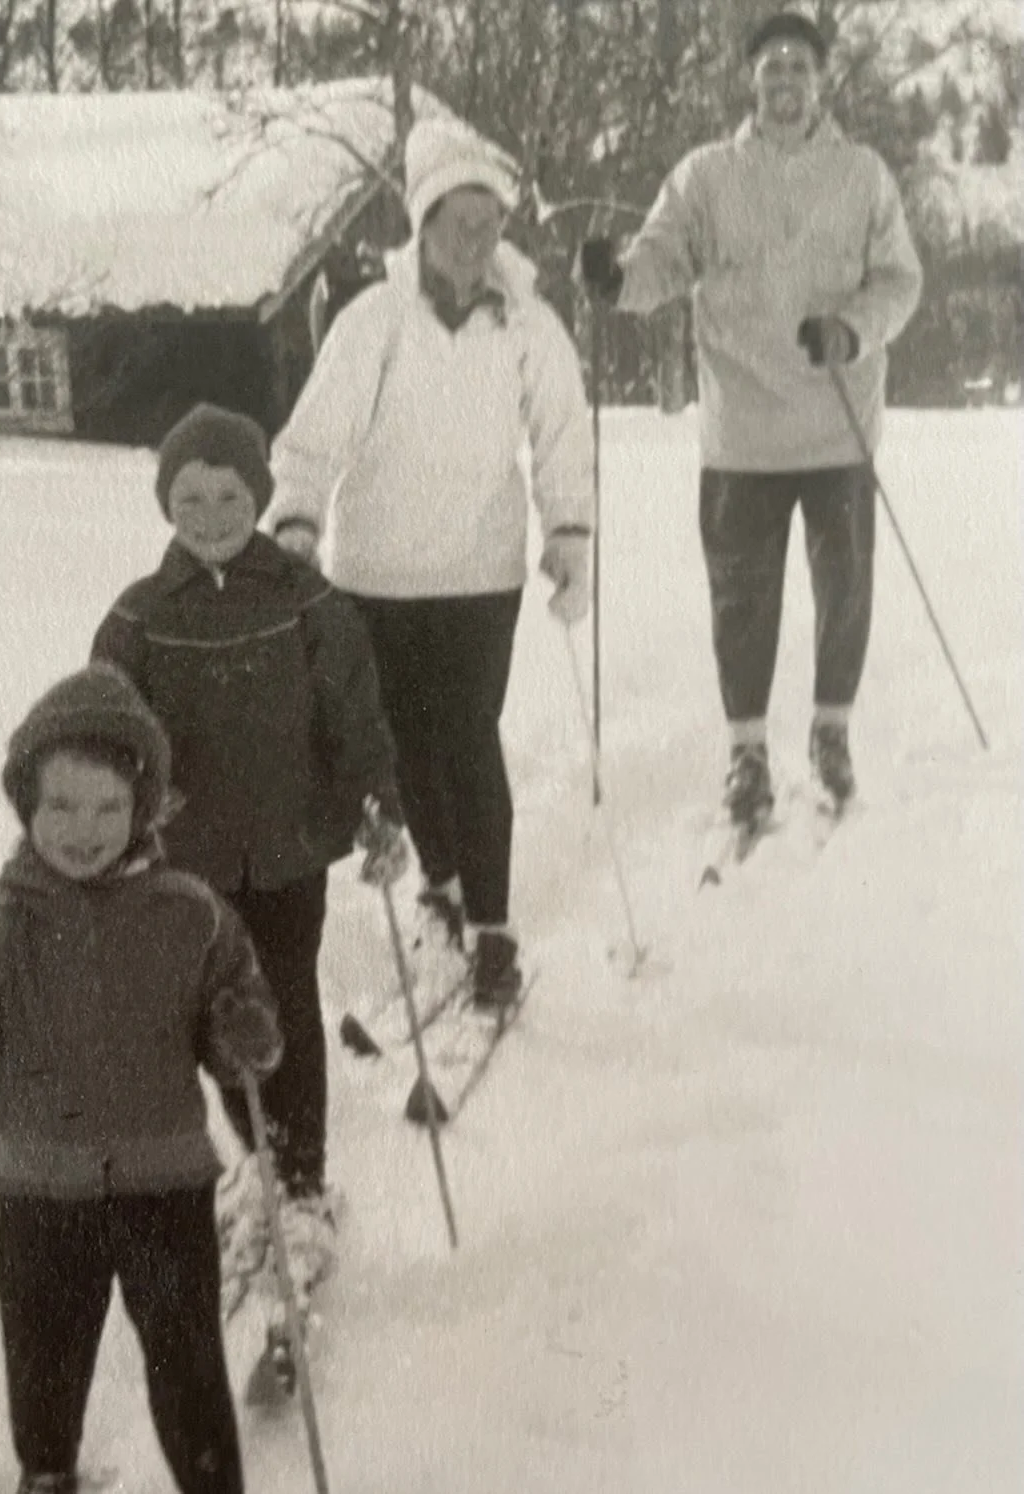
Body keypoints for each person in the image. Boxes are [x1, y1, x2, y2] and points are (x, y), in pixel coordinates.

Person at [0, 663, 283, 1494]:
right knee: (44, 1359)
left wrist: (241, 1031)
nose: (82, 829)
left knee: (187, 1362)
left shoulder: (191, 913)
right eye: (60, 806)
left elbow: (230, 1003)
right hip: (42, 1189)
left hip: (166, 1184)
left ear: (144, 808)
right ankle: (48, 1474)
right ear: (25, 804)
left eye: (107, 807)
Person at [265, 114, 596, 1005]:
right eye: (459, 220)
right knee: (406, 751)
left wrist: (569, 534)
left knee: (469, 742)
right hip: (374, 577)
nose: (475, 238)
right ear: (423, 222)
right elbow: (315, 433)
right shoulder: (374, 321)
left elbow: (563, 438)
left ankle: (492, 929)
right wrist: (296, 517)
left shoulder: (528, 325)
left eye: (489, 222)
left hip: (480, 576)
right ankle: (439, 887)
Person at [90, 403, 406, 1318]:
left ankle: (300, 1186)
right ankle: (258, 1160)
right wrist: (118, 816)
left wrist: (378, 804)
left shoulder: (307, 602)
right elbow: (105, 732)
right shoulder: (139, 616)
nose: (211, 515)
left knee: (285, 1003)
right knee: (212, 1017)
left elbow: (354, 717)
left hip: (287, 851)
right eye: (189, 497)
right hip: (184, 864)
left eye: (229, 495)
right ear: (166, 503)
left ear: (260, 496)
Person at [581, 7, 922, 824]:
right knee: (741, 601)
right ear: (750, 80)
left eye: (799, 67)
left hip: (837, 424)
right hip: (739, 432)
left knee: (844, 591)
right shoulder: (704, 176)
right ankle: (746, 755)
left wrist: (850, 329)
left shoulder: (863, 174)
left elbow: (899, 281)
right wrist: (615, 281)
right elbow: (659, 260)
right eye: (771, 68)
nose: (785, 82)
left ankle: (831, 735)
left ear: (820, 81)